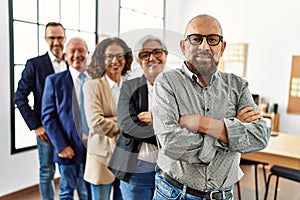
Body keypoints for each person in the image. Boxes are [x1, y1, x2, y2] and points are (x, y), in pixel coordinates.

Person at [151, 14, 271, 200]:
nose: (205, 47)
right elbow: (172, 143)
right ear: (183, 46)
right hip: (174, 193)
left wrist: (203, 124)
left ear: (222, 47)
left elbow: (259, 136)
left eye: (212, 39)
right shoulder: (167, 83)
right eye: (196, 39)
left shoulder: (239, 86)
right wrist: (231, 130)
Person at [108, 35, 168, 200]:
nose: (152, 58)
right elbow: (128, 127)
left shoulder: (177, 89)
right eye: (145, 55)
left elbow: (185, 123)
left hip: (169, 171)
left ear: (166, 55)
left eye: (157, 52)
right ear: (139, 61)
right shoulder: (129, 88)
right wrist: (167, 131)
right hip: (136, 170)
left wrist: (155, 118)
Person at [14, 22, 67, 200]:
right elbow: (19, 97)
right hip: (46, 130)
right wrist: (35, 126)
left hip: (71, 128)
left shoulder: (72, 62)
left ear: (64, 38)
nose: (56, 41)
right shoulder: (34, 65)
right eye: (52, 37)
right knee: (47, 172)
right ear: (46, 39)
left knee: (72, 170)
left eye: (59, 37)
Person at [83, 37, 132, 200]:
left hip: (126, 156)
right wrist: (126, 123)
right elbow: (95, 123)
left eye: (119, 56)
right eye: (109, 56)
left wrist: (112, 119)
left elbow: (138, 119)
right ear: (101, 59)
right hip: (101, 156)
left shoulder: (131, 86)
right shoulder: (91, 86)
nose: (115, 61)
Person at [41, 37, 90, 200]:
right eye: (72, 51)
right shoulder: (54, 81)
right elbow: (48, 118)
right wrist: (61, 146)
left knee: (88, 192)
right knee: (66, 191)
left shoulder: (95, 81)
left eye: (81, 50)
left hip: (92, 150)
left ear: (87, 53)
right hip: (68, 148)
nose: (77, 55)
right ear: (65, 55)